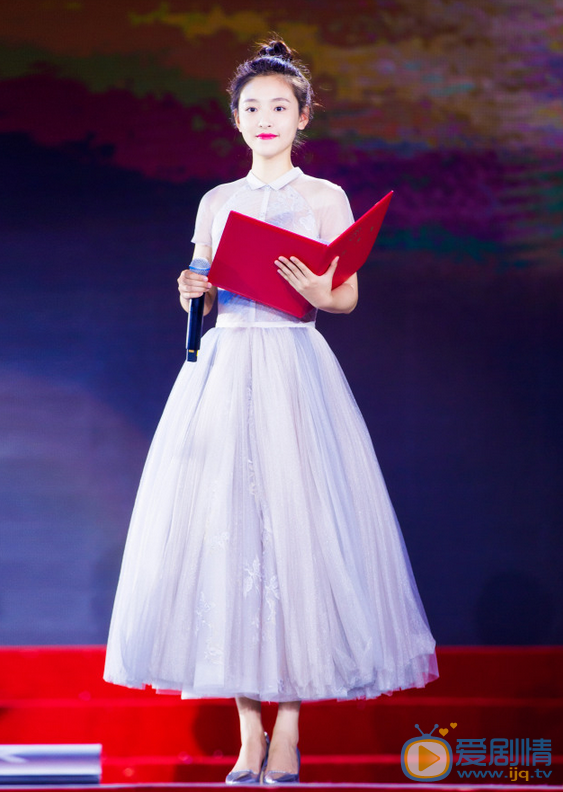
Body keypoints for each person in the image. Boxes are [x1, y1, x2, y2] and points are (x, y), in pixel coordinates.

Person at [103, 38, 438, 785]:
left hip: (292, 366)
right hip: (225, 369)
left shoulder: (324, 198)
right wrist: (191, 290)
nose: (265, 118)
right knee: (229, 541)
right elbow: (203, 285)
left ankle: (288, 731)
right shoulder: (216, 201)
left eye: (279, 107)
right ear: (235, 118)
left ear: (303, 116)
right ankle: (247, 737)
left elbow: (344, 294)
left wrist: (322, 293)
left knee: (297, 538)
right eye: (251, 107)